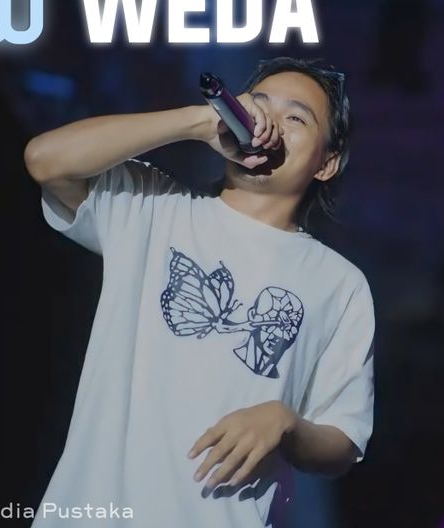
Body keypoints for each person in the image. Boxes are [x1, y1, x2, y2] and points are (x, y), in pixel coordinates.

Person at [24, 57, 375, 527]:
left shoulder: (339, 283)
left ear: (327, 163)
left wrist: (286, 423)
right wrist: (197, 121)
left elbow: (343, 441)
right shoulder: (154, 208)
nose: (269, 123)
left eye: (296, 118)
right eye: (258, 105)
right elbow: (45, 159)